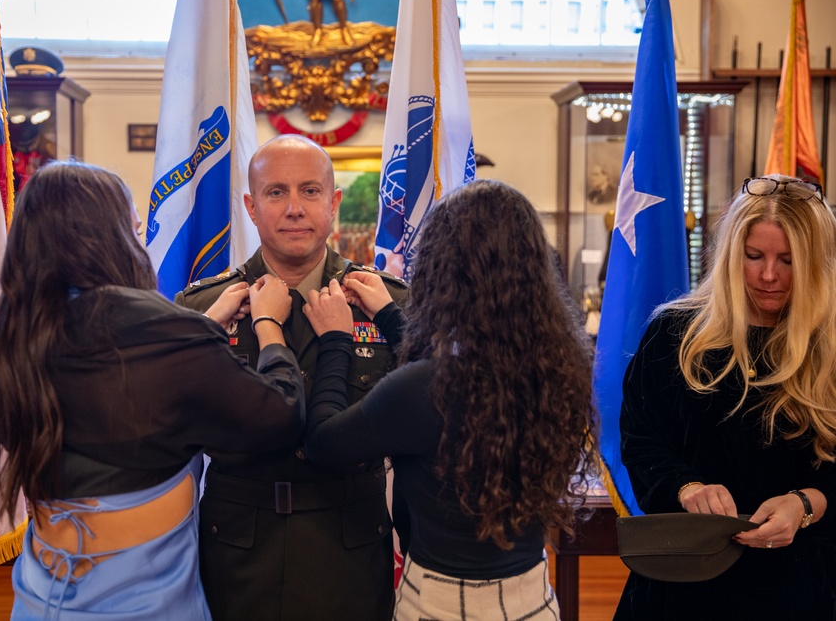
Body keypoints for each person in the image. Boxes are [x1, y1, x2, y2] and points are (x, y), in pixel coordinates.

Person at [0, 161, 305, 621]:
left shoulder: (5, 341)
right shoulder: (170, 336)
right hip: (141, 598)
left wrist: (202, 325)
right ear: (110, 239)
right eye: (134, 228)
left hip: (42, 589)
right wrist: (269, 323)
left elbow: (113, 385)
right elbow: (281, 417)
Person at [300, 179, 598, 620]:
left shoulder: (423, 389)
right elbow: (460, 390)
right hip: (533, 598)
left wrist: (336, 341)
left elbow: (324, 443)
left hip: (442, 606)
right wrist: (387, 314)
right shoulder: (558, 367)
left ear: (442, 272)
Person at [176, 134, 408, 621]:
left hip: (349, 549)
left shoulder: (388, 304)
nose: (295, 208)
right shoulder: (202, 308)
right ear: (251, 207)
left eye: (309, 191)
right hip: (238, 553)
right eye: (276, 192)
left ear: (334, 202)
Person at [615, 175, 836, 619]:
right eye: (753, 257)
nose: (769, 275)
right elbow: (641, 444)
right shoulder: (676, 333)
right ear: (731, 253)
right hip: (685, 583)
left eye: (788, 261)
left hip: (801, 586)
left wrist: (807, 503)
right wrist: (686, 487)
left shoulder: (828, 343)